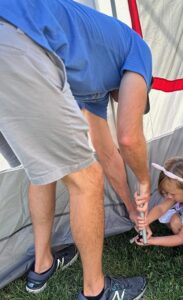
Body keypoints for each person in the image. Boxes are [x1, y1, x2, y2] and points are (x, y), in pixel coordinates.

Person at [0, 0, 152, 299]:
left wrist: (132, 209)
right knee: (87, 180)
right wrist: (145, 181)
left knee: (45, 166)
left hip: (14, 36)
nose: (122, 104)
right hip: (16, 39)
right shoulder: (139, 51)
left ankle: (42, 265)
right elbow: (129, 138)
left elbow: (108, 153)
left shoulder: (91, 87)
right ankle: (96, 291)